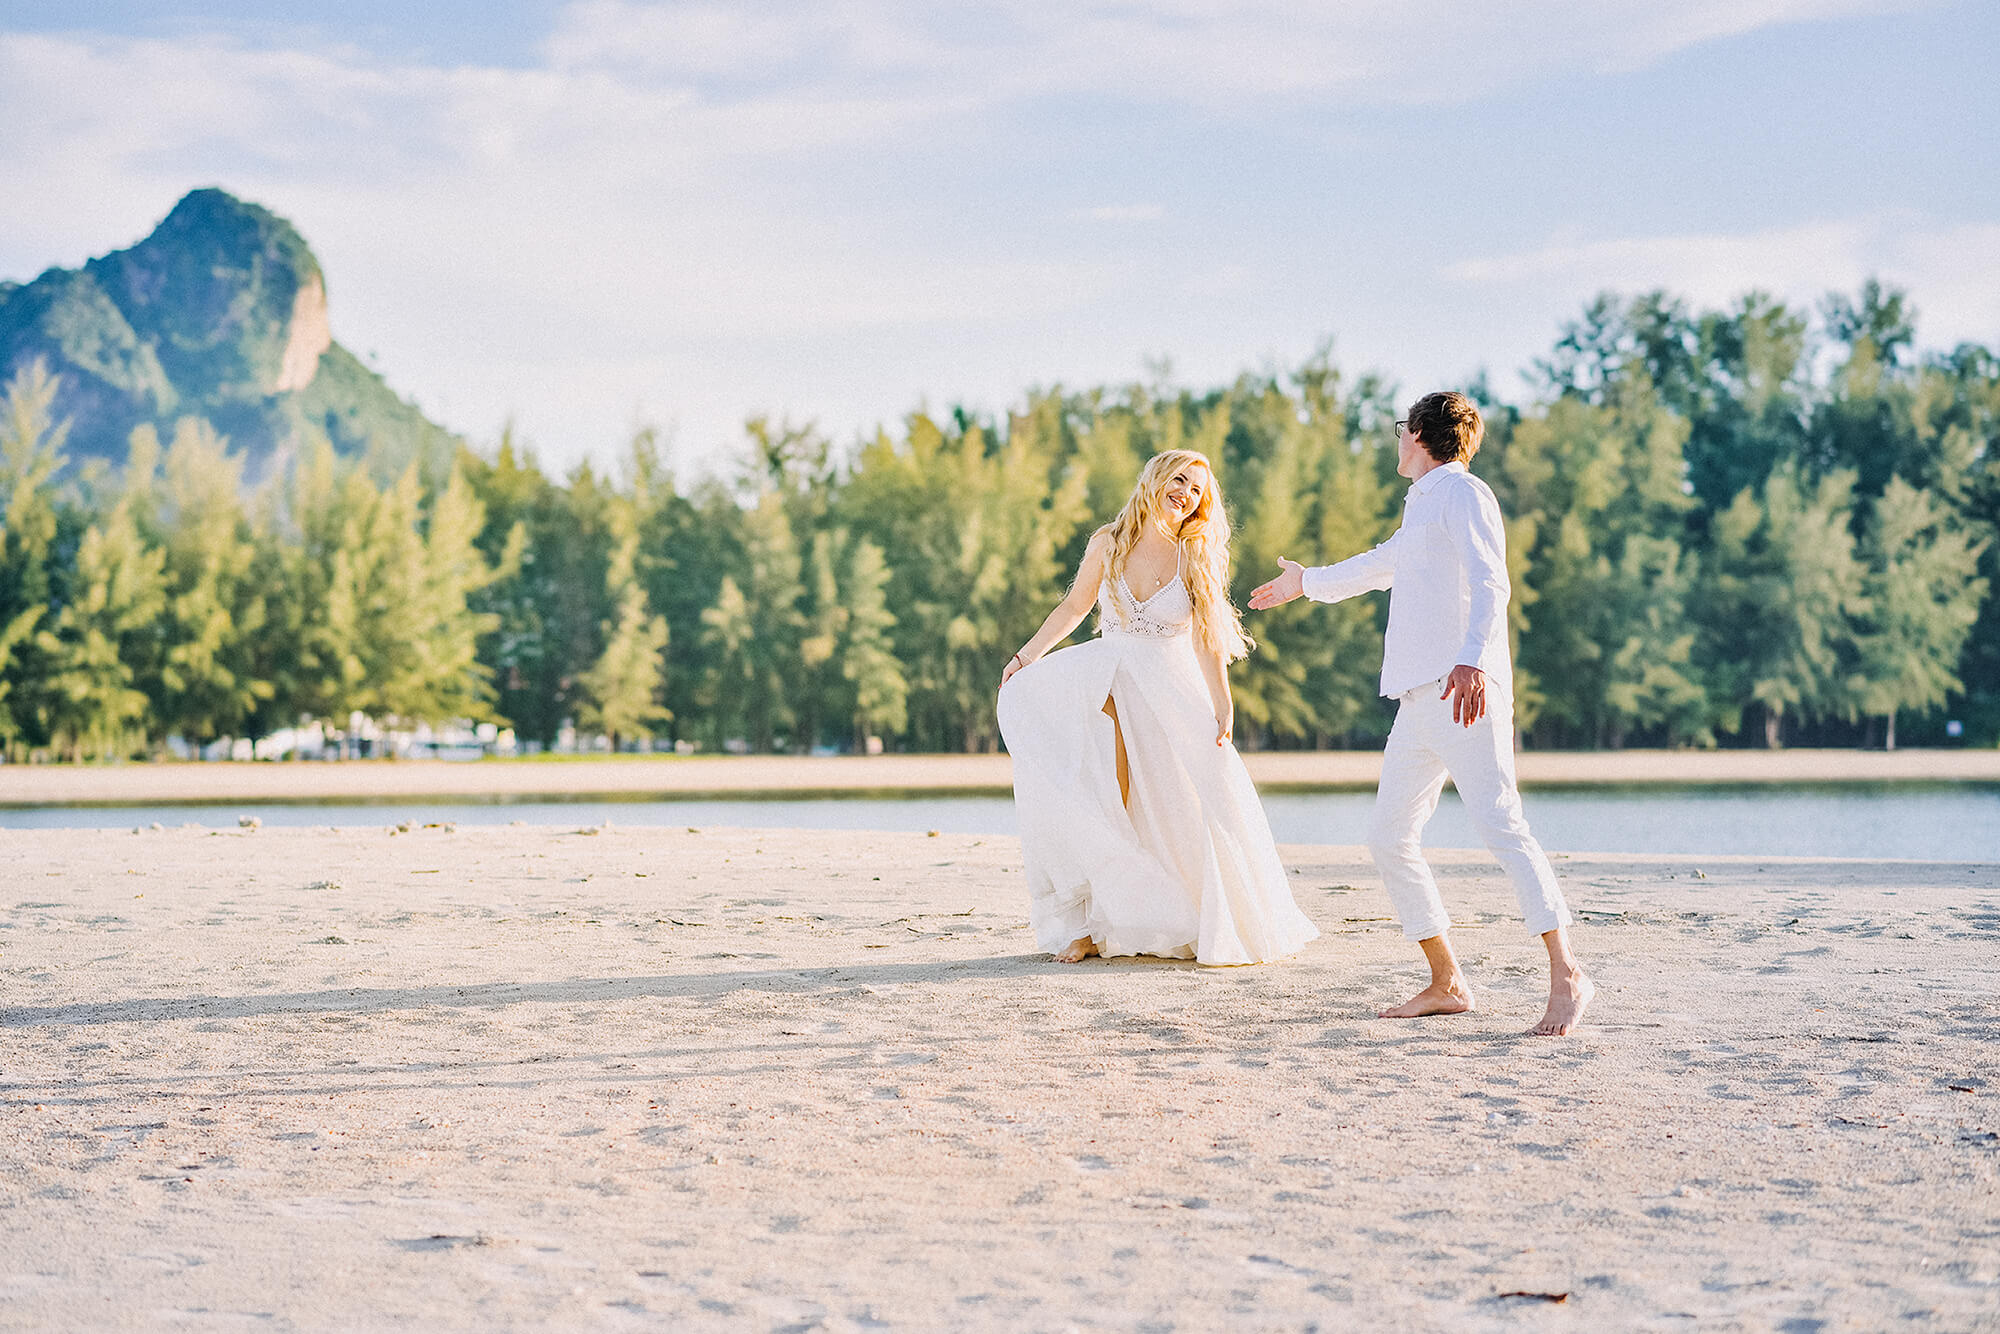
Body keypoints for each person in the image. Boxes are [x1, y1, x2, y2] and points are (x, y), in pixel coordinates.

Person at [1248, 391, 1593, 1035]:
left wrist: (1471, 659)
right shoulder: (1423, 502)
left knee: (1502, 828)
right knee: (1388, 837)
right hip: (1417, 701)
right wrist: (1307, 581)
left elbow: (1493, 582)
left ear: (1421, 436)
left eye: (1400, 430)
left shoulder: (1465, 495)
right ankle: (1447, 980)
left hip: (1465, 693)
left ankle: (1567, 972)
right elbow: (1382, 566)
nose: (1396, 440)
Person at [997, 449, 1319, 966]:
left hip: (1170, 688)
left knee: (1192, 801)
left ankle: (1192, 916)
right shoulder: (1110, 541)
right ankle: (1086, 927)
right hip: (1108, 680)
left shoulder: (1196, 551)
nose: (1186, 494)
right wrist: (1026, 656)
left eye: (1197, 490)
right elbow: (1077, 606)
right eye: (1179, 480)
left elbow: (1208, 637)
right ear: (1154, 479)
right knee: (1103, 798)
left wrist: (1224, 705)